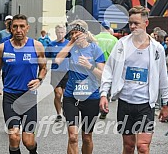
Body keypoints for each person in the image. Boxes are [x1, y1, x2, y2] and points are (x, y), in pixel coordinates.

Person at [99, 6, 168, 154]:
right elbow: (109, 70)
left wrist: (165, 102)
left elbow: (163, 76)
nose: (132, 26)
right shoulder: (122, 44)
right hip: (125, 102)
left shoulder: (157, 49)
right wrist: (104, 94)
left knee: (143, 147)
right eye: (130, 23)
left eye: (136, 23)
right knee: (129, 146)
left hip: (145, 104)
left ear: (146, 23)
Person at [0, 14, 47, 154]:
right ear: (10, 28)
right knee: (14, 137)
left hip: (29, 98)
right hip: (10, 97)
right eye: (15, 26)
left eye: (22, 26)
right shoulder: (2, 48)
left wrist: (39, 79)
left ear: (27, 28)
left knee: (28, 141)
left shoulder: (36, 46)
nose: (18, 29)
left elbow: (44, 68)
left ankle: (33, 152)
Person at [55, 19, 105, 154]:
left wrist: (90, 67)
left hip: (91, 97)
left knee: (87, 137)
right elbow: (58, 60)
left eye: (77, 32)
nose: (74, 35)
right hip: (71, 97)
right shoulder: (70, 48)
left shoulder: (95, 49)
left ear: (84, 33)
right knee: (72, 137)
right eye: (72, 33)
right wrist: (71, 42)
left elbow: (102, 75)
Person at [45, 24, 69, 122]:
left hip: (67, 72)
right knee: (58, 94)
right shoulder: (51, 44)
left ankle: (65, 107)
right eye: (58, 32)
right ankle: (59, 114)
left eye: (62, 32)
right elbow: (46, 56)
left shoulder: (69, 44)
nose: (60, 34)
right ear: (55, 33)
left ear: (65, 33)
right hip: (56, 72)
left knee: (66, 94)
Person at [94, 20, 118, 119]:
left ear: (101, 28)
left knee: (98, 87)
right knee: (106, 87)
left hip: (96, 67)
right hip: (109, 67)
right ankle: (104, 106)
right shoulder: (114, 40)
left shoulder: (95, 38)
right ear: (109, 28)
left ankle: (98, 106)